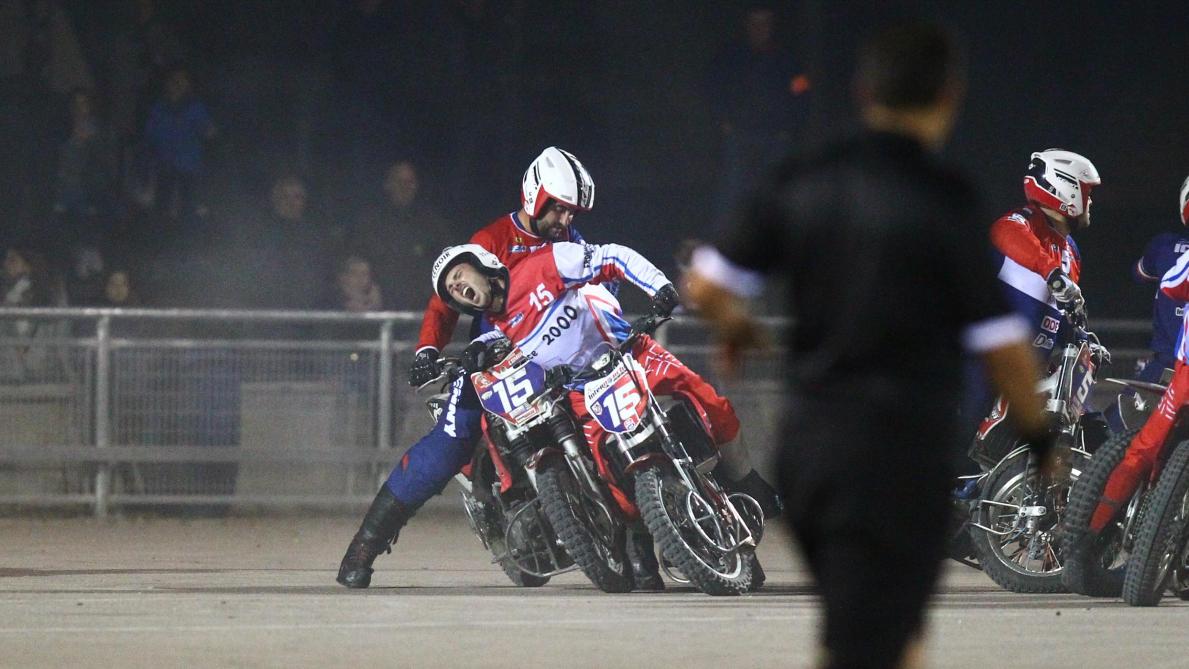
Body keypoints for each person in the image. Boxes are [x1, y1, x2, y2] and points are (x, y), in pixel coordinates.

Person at [685, 23, 1055, 669]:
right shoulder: (948, 199)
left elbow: (708, 281)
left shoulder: (807, 177)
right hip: (901, 457)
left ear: (863, 92)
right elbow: (1004, 347)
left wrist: (737, 328)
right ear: (949, 95)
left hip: (812, 454)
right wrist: (1040, 439)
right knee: (882, 636)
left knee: (862, 631)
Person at [336, 146, 777, 590]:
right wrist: (428, 350)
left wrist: (623, 318)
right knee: (452, 441)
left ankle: (650, 537)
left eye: (572, 212)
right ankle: (365, 545)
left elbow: (602, 278)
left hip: (567, 360)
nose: (565, 219)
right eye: (559, 209)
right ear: (535, 196)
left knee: (618, 424)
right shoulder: (490, 240)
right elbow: (443, 302)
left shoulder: (566, 242)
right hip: (491, 359)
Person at [1088, 176, 1189, 534]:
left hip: (1165, 368)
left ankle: (1090, 525)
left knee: (1116, 437)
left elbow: (1142, 275)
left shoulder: (1164, 246)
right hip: (1173, 370)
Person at [990, 148, 1099, 355]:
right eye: (1088, 193)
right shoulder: (1023, 223)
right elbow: (1004, 231)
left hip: (1028, 370)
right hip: (987, 368)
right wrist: (1053, 273)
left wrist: (1083, 342)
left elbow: (1060, 317)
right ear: (1068, 191)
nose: (1091, 201)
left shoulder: (1071, 251)